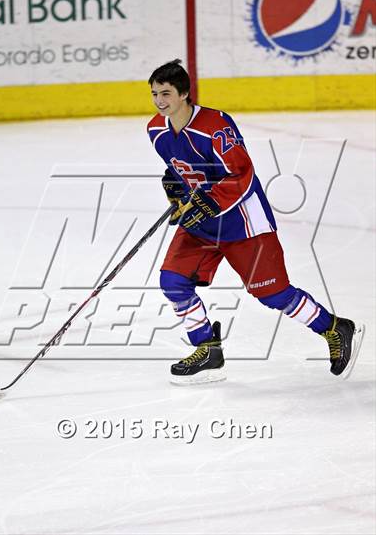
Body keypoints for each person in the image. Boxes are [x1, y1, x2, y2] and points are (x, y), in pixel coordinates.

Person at [147, 59, 363, 385]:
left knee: (273, 293)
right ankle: (207, 347)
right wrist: (175, 187)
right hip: (203, 224)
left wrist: (209, 201)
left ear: (184, 94)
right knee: (173, 282)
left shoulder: (215, 125)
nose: (160, 101)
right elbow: (178, 168)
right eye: (154, 94)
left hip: (243, 223)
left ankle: (334, 328)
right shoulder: (155, 129)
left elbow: (242, 174)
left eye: (166, 93)